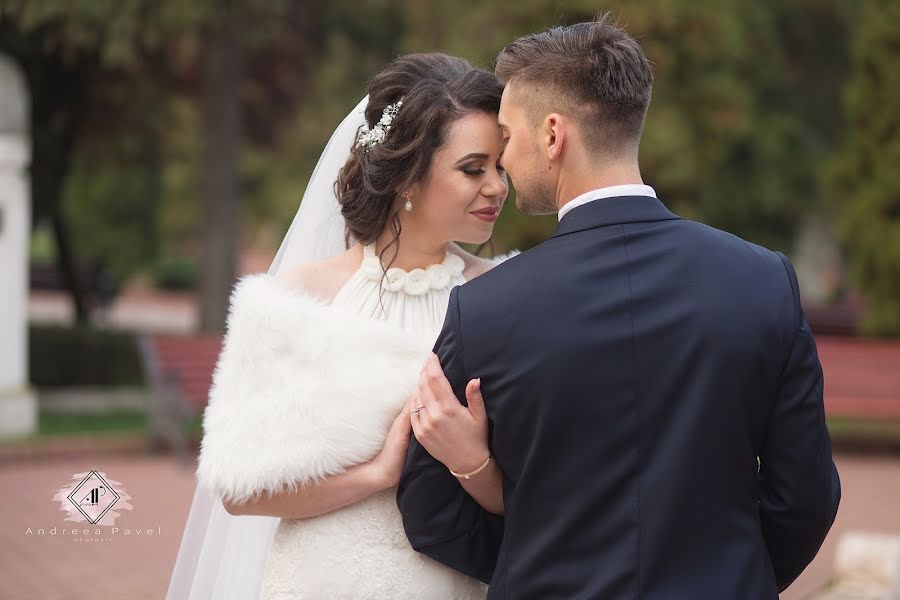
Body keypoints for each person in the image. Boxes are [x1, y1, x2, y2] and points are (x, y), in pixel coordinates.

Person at [397, 15, 841, 599]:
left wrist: (535, 570)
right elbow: (805, 496)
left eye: (508, 135)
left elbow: (431, 512)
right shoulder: (763, 282)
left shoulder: (483, 310)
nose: (501, 159)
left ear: (553, 135)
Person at [167, 53, 515, 599]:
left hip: (451, 580)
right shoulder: (294, 301)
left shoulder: (506, 295)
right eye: (474, 169)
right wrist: (377, 474)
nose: (497, 186)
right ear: (406, 176)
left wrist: (472, 461)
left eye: (501, 166)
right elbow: (239, 491)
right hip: (320, 578)